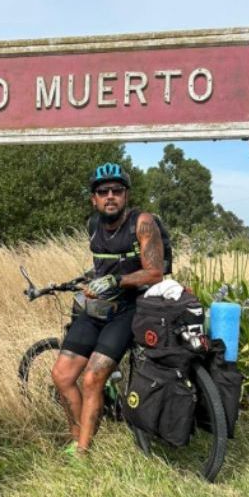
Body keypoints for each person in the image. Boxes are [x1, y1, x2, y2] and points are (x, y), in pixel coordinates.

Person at [51, 162, 164, 454]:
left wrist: (117, 280)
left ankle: (82, 452)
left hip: (128, 309)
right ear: (94, 199)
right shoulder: (93, 225)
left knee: (92, 378)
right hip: (96, 309)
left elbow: (155, 272)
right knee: (62, 375)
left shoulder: (142, 223)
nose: (110, 196)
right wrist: (90, 281)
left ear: (126, 195)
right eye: (103, 192)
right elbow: (102, 265)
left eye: (117, 190)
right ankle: (78, 436)